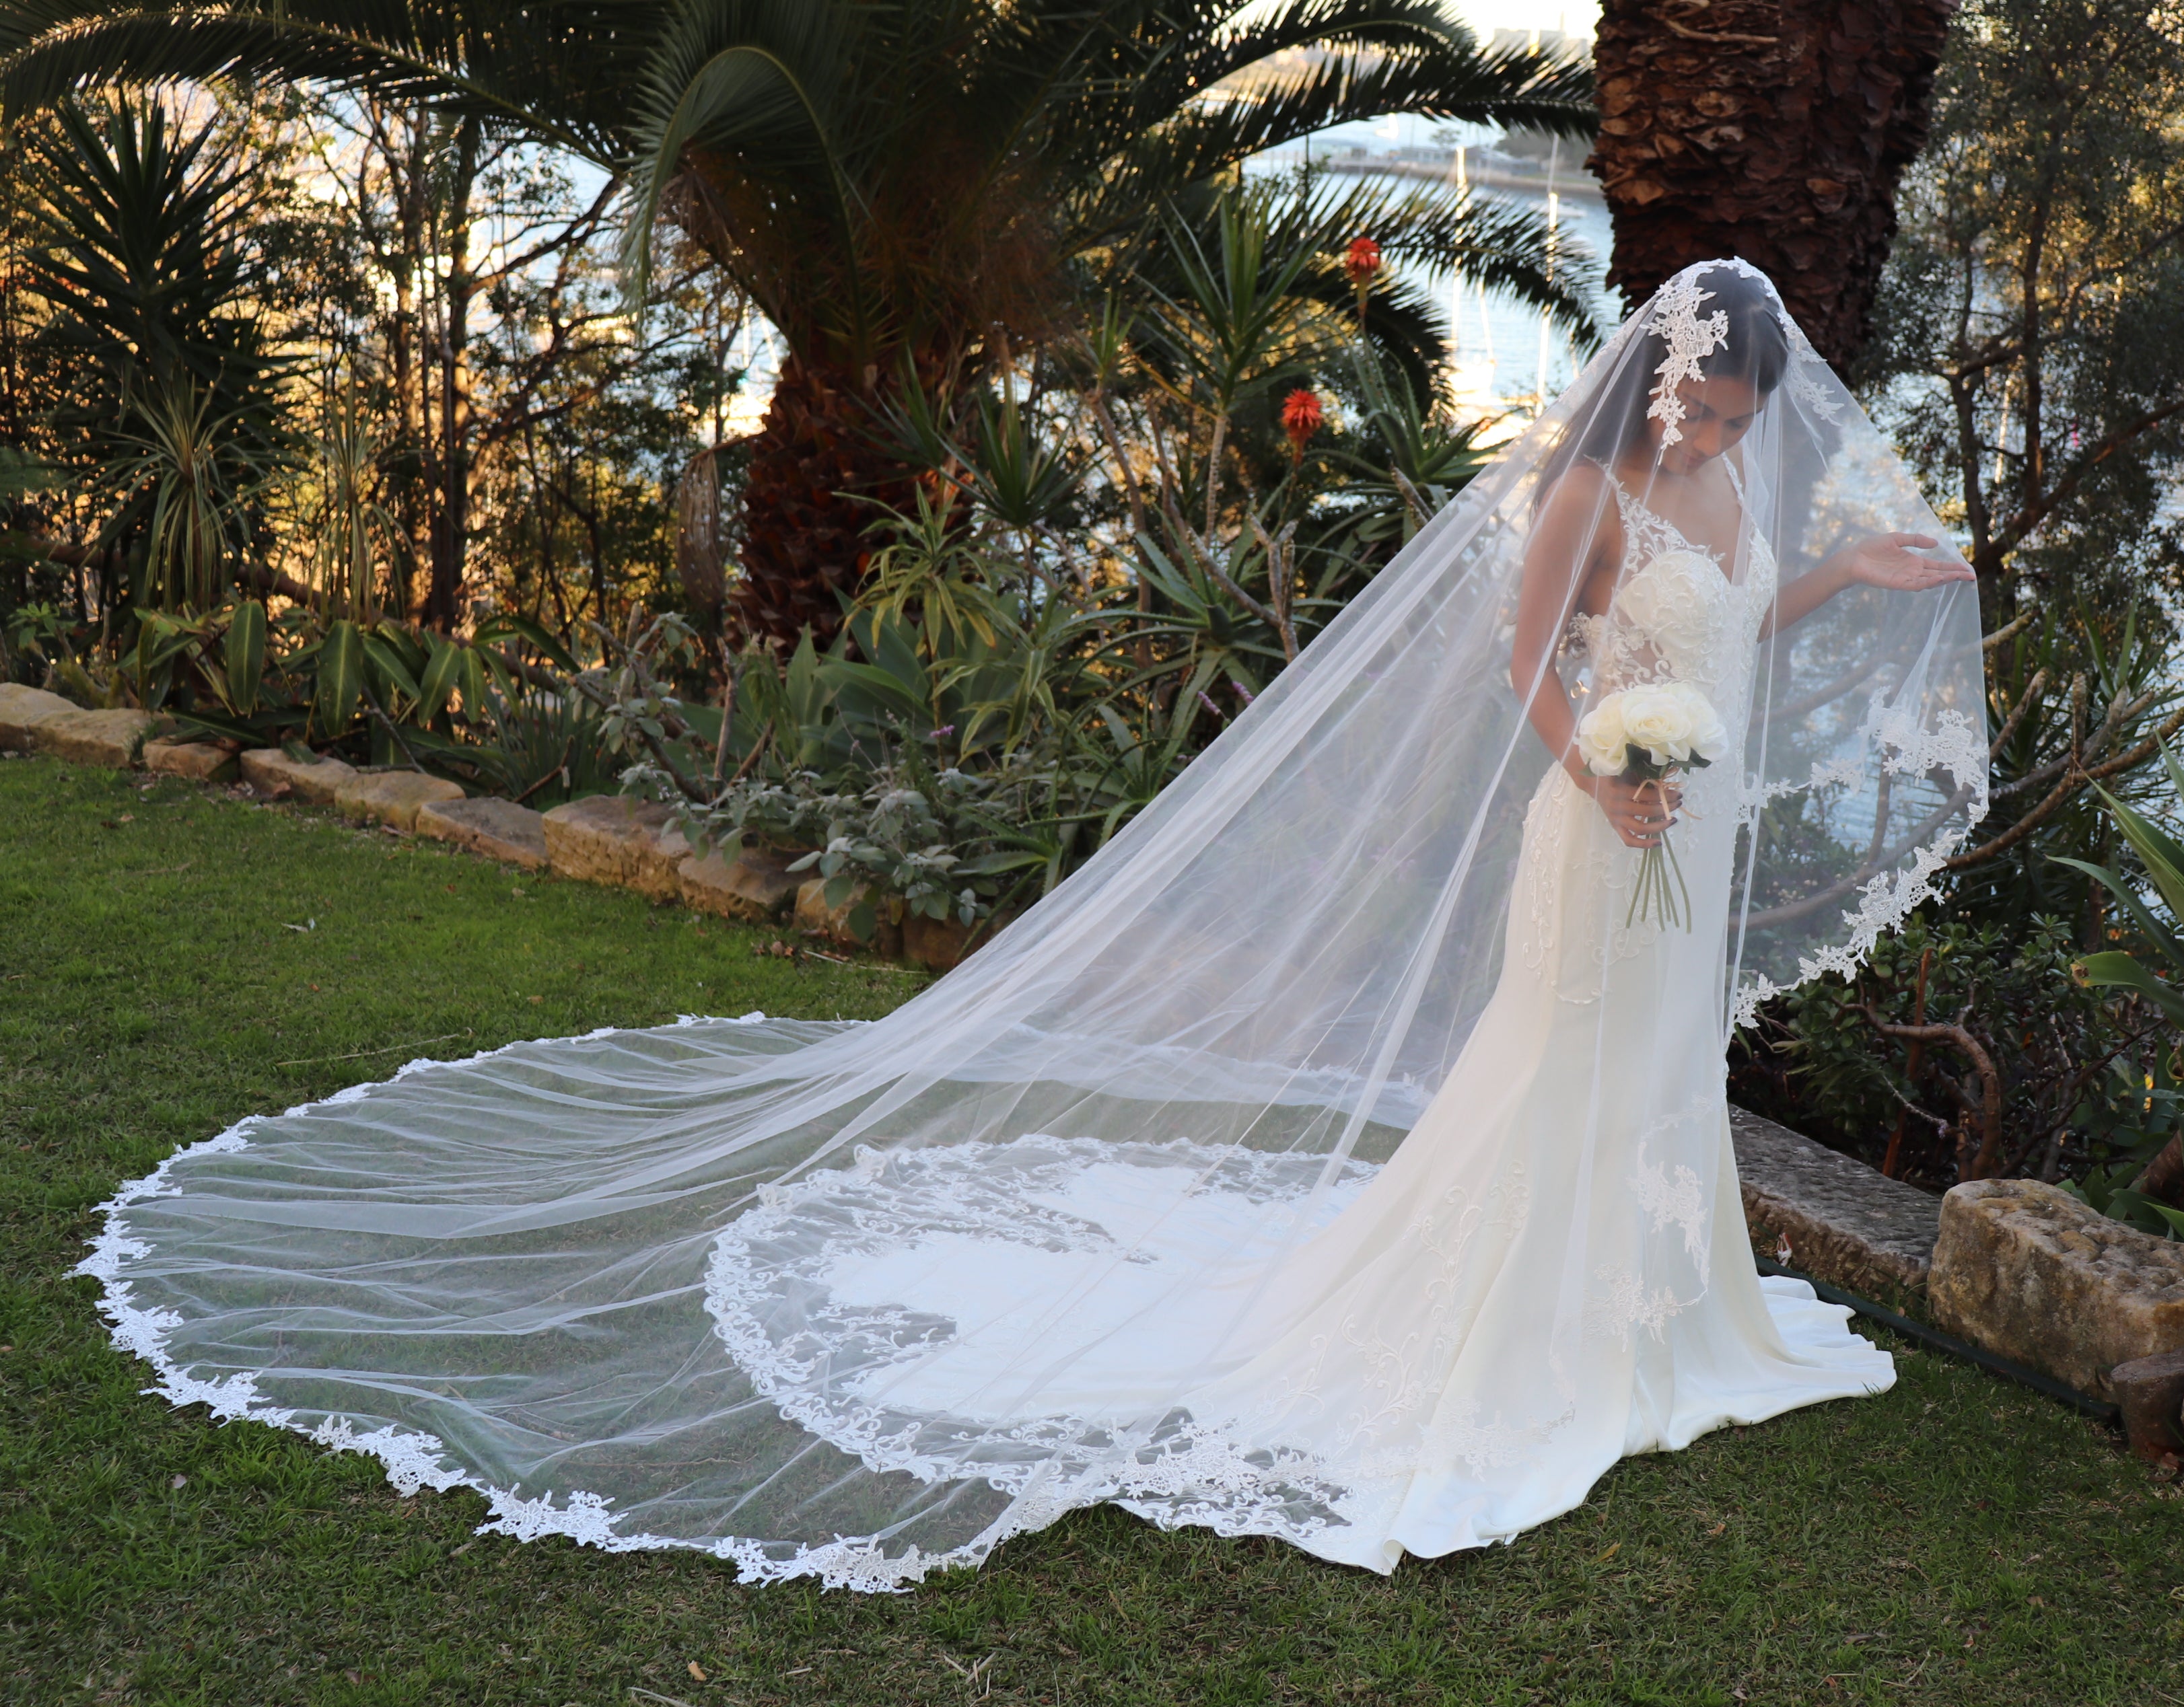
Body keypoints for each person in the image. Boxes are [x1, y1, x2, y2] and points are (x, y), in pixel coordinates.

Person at [83, 261, 1989, 1589]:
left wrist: (1833, 571)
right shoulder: (1590, 485)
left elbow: (1724, 634)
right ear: (1664, 377)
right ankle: (1516, 1317)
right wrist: (1612, 780)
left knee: (1658, 1071)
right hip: (1606, 833)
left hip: (1694, 824)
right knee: (1562, 1057)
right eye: (1708, 396)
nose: (1725, 421)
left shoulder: (1733, 489)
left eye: (1742, 406)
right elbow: (1530, 674)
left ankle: (1661, 1307)